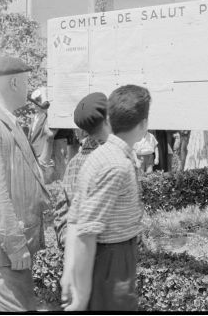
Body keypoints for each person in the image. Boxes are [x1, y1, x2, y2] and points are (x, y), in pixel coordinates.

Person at [61, 84, 151, 311]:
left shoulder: (100, 156)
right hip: (112, 264)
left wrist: (68, 270)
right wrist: (81, 298)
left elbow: (74, 218)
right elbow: (87, 232)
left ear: (109, 119)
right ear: (143, 125)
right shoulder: (116, 165)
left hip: (109, 260)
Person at [0, 56, 50, 311]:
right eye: (26, 82)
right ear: (13, 82)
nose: (28, 88)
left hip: (6, 253)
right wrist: (15, 244)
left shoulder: (2, 118)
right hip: (0, 254)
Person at [54, 92, 111, 248]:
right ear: (108, 121)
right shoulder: (112, 158)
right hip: (106, 253)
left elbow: (62, 210)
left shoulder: (74, 162)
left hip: (79, 251)